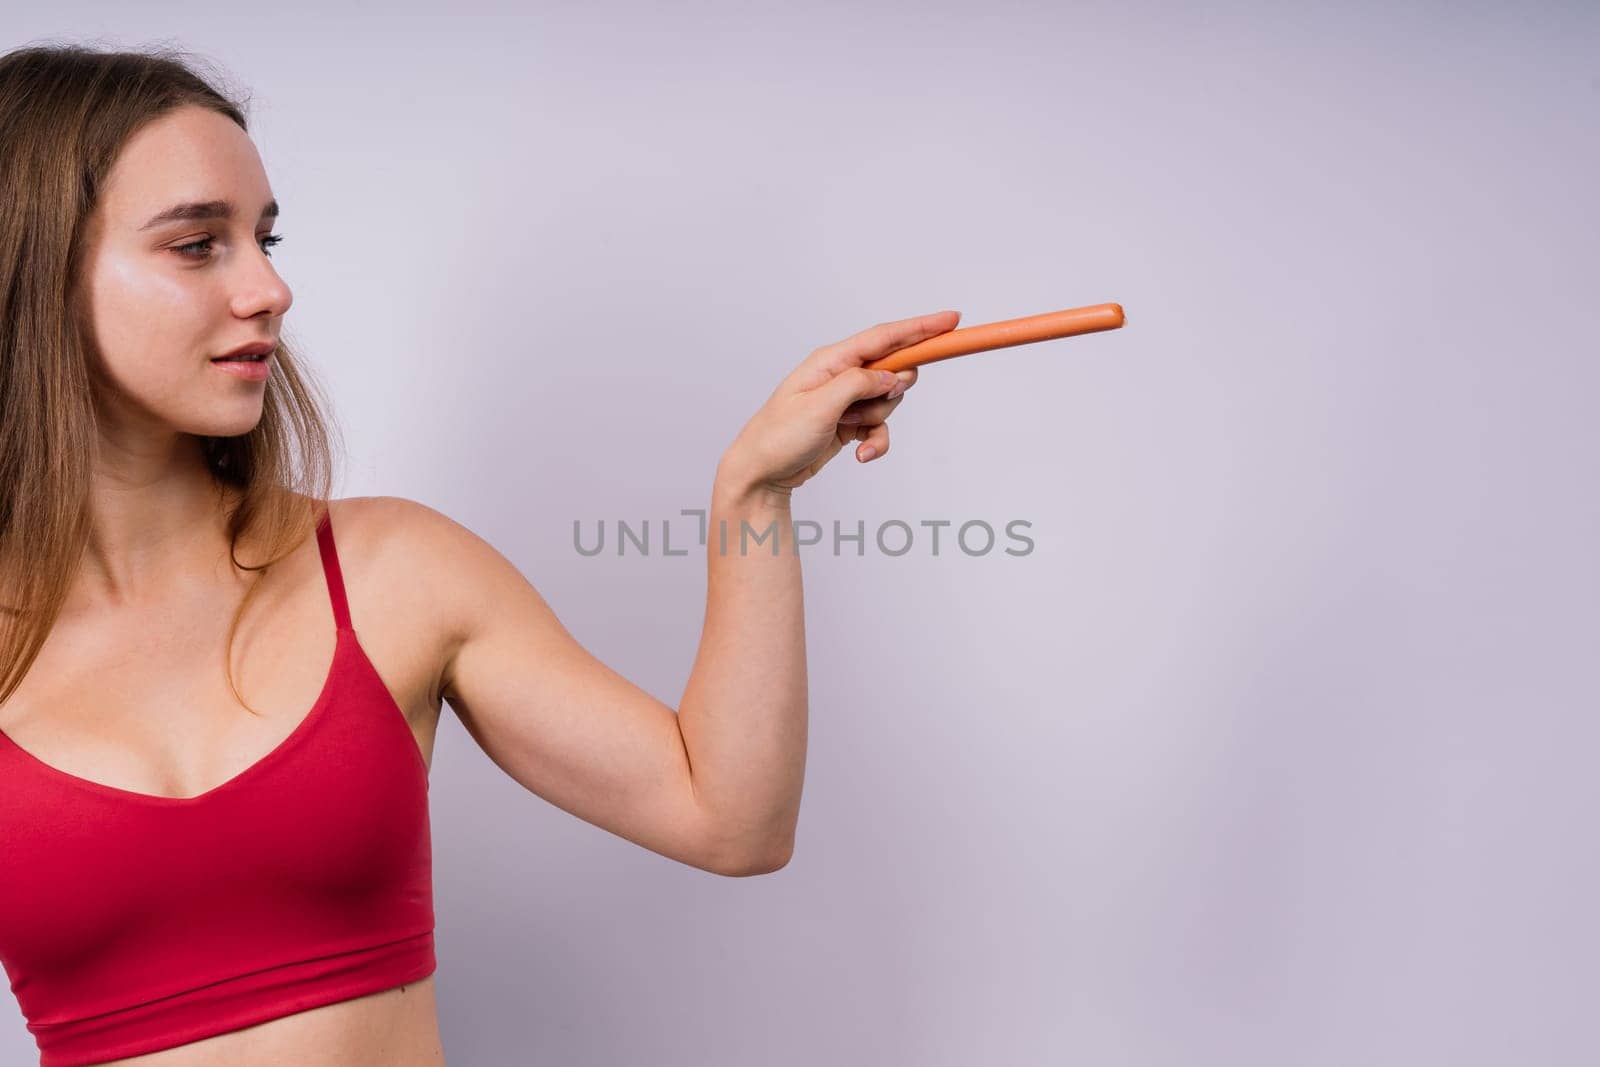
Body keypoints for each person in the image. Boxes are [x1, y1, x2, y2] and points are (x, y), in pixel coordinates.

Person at [0, 40, 946, 1066]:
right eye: (198, 245)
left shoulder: (392, 569)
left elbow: (731, 818)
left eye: (266, 238)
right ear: (34, 270)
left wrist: (753, 493)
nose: (270, 288)